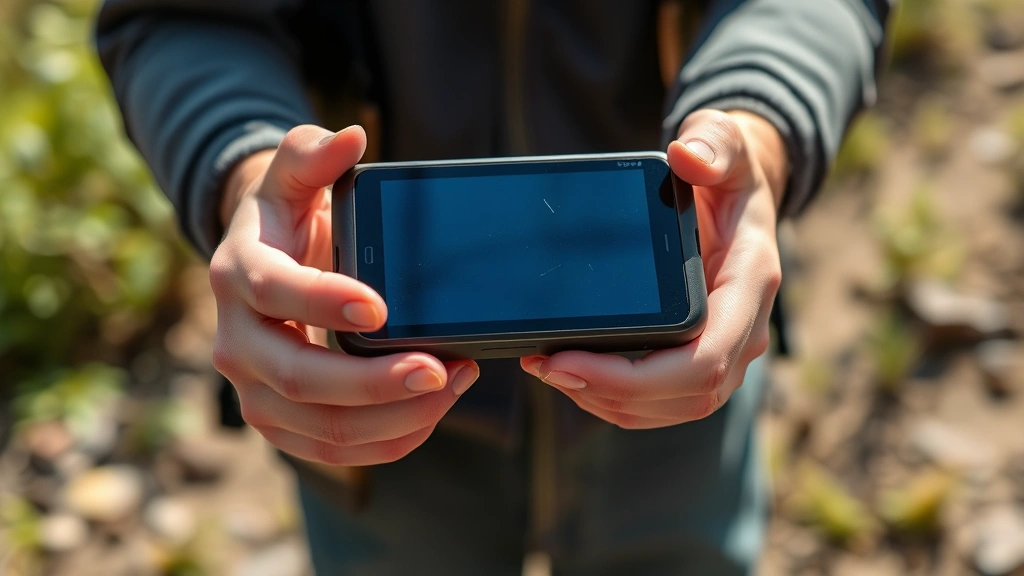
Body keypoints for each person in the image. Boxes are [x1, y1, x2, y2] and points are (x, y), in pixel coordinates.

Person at [96, 1, 890, 573]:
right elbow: (179, 17)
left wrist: (757, 123)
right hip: (369, 401)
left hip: (685, 359)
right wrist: (249, 172)